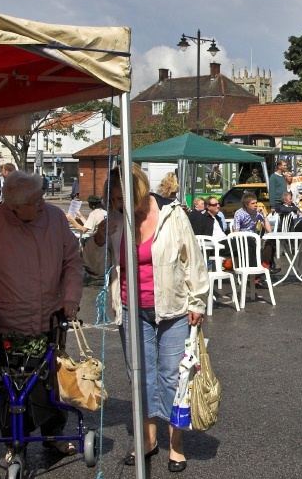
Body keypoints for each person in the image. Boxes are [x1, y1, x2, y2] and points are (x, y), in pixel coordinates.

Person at [88, 165, 206, 472]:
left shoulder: (171, 214)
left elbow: (193, 258)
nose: (118, 205)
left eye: (122, 199)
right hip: (131, 308)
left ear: (139, 191)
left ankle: (176, 446)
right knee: (140, 377)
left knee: (174, 376)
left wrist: (198, 301)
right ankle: (148, 440)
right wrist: (98, 240)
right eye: (113, 200)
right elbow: (92, 265)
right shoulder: (113, 218)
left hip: (173, 307)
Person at [0, 171, 82, 458]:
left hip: (50, 318)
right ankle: (15, 443)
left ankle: (53, 434)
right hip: (5, 321)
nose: (41, 203)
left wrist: (71, 297)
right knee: (9, 382)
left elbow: (72, 262)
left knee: (51, 380)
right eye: (34, 201)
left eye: (41, 197)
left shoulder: (54, 218)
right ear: (14, 206)